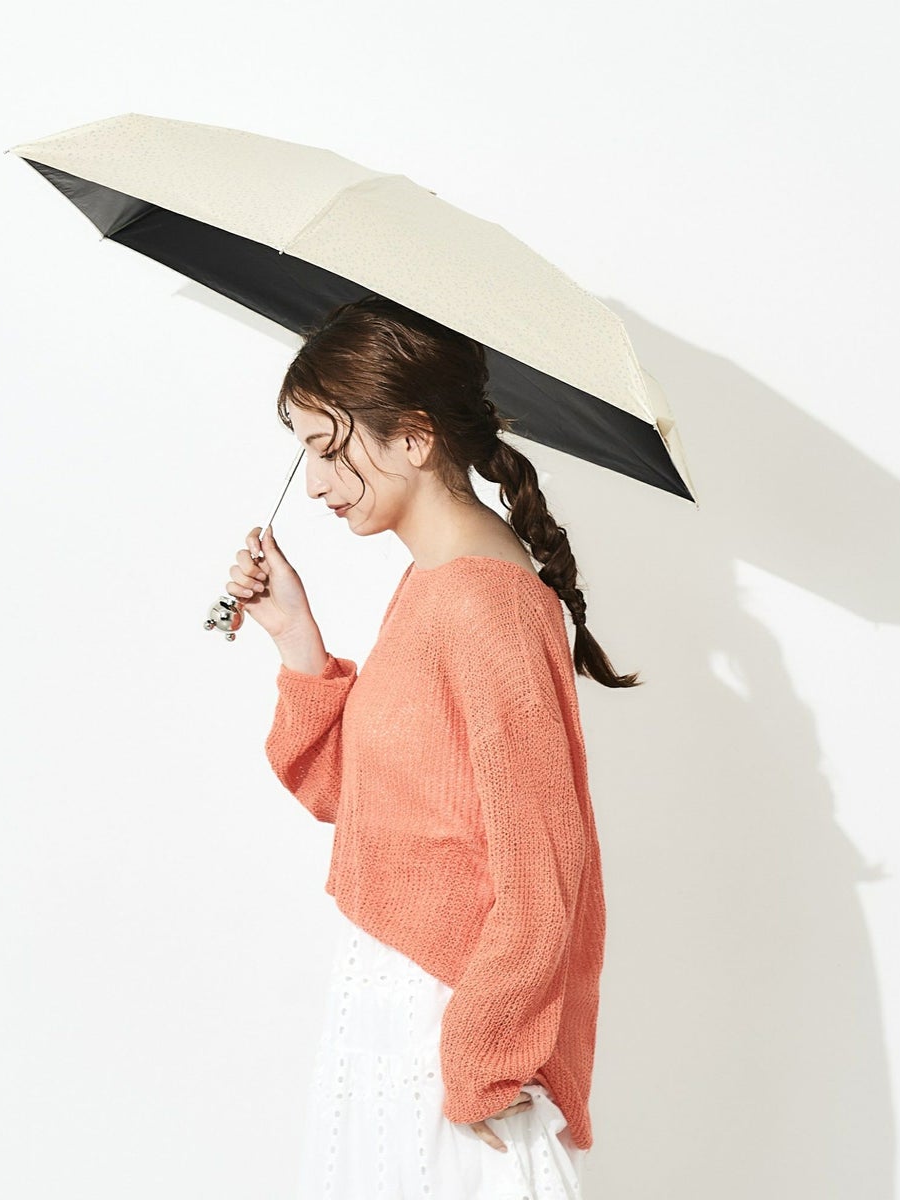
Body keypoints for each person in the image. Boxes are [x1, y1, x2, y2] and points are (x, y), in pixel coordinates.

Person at [222, 295, 640, 1198]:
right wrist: (297, 638)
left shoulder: (485, 603)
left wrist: (484, 1056)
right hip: (401, 1000)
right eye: (306, 453)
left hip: (450, 1015)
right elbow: (362, 800)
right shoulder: (435, 584)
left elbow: (545, 865)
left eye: (328, 447)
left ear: (414, 437)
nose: (317, 484)